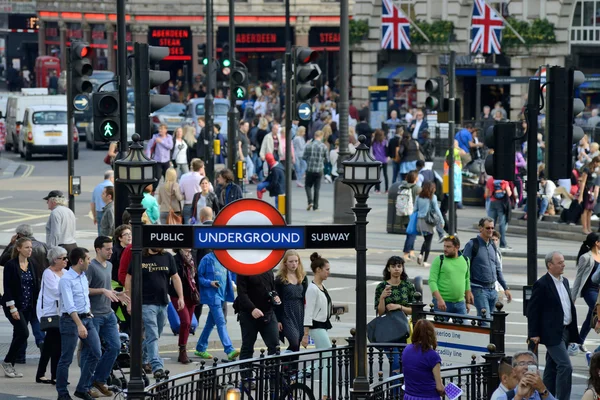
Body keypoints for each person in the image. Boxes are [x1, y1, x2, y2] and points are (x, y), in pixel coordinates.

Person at [527, 251, 580, 400]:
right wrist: (534, 333)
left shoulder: (564, 281)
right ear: (550, 265)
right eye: (560, 262)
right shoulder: (542, 284)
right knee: (565, 366)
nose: (563, 265)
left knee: (551, 368)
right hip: (551, 333)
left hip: (565, 330)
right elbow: (533, 311)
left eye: (563, 261)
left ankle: (546, 396)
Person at [125, 248, 184, 379]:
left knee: (156, 334)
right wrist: (129, 300)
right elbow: (129, 277)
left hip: (163, 303)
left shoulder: (167, 257)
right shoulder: (139, 257)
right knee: (152, 334)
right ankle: (157, 366)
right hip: (145, 303)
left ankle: (140, 358)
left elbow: (175, 277)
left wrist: (181, 297)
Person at [85, 236, 129, 398]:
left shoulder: (109, 265)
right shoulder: (91, 267)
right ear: (98, 249)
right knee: (92, 352)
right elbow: (85, 290)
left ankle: (100, 379)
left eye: (111, 248)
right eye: (107, 249)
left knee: (115, 346)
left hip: (108, 314)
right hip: (94, 315)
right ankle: (87, 385)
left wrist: (118, 294)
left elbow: (107, 287)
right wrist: (103, 291)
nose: (111, 251)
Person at [56, 247, 102, 400]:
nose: (90, 261)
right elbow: (69, 306)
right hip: (71, 321)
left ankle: (82, 388)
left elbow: (84, 296)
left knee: (96, 352)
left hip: (87, 318)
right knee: (66, 358)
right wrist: (79, 325)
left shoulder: (83, 276)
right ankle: (62, 393)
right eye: (88, 259)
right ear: (80, 261)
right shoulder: (66, 279)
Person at [2, 238, 41, 378]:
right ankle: (7, 361)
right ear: (18, 248)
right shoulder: (11, 265)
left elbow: (35, 285)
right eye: (26, 247)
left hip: (28, 306)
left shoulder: (32, 263)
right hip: (14, 306)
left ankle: (10, 366)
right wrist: (12, 308)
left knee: (18, 333)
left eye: (30, 247)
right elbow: (7, 289)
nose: (30, 250)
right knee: (24, 333)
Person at [464, 217, 512, 321]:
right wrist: (467, 291)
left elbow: (497, 269)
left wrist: (505, 288)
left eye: (492, 228)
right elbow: (464, 269)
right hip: (478, 289)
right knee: (485, 322)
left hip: (492, 290)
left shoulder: (492, 246)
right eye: (488, 228)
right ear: (480, 228)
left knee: (493, 323)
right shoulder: (472, 244)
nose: (490, 230)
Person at [194, 250, 239, 361]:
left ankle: (200, 348)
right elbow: (199, 277)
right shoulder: (207, 259)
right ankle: (229, 349)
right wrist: (210, 283)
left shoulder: (225, 259)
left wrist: (233, 283)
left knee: (210, 323)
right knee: (221, 322)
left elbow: (231, 274)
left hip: (222, 295)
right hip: (212, 296)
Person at [374, 256, 415, 374]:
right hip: (388, 330)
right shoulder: (381, 287)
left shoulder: (408, 286)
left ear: (402, 268)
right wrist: (382, 297)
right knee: (396, 362)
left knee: (404, 363)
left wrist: (399, 307)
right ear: (388, 269)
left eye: (399, 266)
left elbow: (414, 310)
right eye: (393, 266)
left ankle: (398, 391)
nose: (396, 269)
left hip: (404, 329)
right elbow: (380, 312)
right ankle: (395, 391)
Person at [302, 253, 333, 400]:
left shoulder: (322, 286)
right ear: (318, 270)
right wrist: (305, 334)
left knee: (324, 359)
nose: (328, 272)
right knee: (329, 358)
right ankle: (326, 394)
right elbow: (308, 312)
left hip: (323, 326)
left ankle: (298, 376)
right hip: (316, 327)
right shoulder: (312, 289)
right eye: (326, 269)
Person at [35, 246, 68, 385]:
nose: (66, 260)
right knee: (57, 345)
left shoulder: (65, 272)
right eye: (63, 258)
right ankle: (55, 376)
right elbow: (56, 291)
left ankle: (40, 374)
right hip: (50, 313)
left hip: (61, 312)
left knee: (49, 344)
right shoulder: (48, 273)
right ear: (55, 260)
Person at [235, 269, 280, 362]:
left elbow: (272, 288)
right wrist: (252, 309)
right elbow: (242, 293)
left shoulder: (268, 268)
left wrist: (275, 295)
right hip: (248, 314)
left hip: (268, 312)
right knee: (248, 346)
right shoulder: (244, 270)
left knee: (275, 346)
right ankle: (246, 375)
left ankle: (271, 374)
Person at [429, 235, 474, 316]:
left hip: (460, 303)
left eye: (448, 247)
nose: (445, 249)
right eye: (444, 246)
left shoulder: (465, 260)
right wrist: (439, 299)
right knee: (439, 328)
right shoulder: (439, 260)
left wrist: (467, 302)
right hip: (442, 303)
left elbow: (466, 280)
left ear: (457, 247)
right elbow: (432, 281)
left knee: (464, 327)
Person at [401, 319, 444, 400]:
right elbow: (439, 387)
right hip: (428, 396)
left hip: (409, 395)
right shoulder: (433, 356)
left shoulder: (406, 350)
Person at [571, 232, 600, 353]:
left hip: (599, 291)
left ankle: (579, 342)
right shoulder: (586, 257)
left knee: (589, 318)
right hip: (589, 290)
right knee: (596, 310)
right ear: (596, 243)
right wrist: (573, 297)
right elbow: (579, 278)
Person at [170, 248, 200, 364]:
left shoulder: (193, 257)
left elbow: (195, 276)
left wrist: (197, 292)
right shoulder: (175, 259)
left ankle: (183, 349)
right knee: (186, 321)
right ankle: (182, 350)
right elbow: (172, 278)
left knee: (187, 325)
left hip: (191, 295)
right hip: (177, 295)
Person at [275, 250, 308, 354]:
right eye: (291, 261)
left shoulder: (302, 277)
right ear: (285, 263)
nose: (294, 264)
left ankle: (291, 369)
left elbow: (306, 297)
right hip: (286, 312)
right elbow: (276, 301)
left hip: (299, 311)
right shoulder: (280, 279)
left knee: (297, 343)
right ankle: (283, 361)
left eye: (296, 261)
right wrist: (278, 320)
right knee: (294, 341)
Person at [413, 181, 444, 267]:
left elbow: (415, 209)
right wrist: (442, 220)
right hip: (428, 221)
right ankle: (425, 261)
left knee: (426, 239)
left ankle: (420, 255)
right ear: (431, 188)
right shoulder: (432, 197)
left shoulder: (418, 197)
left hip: (420, 221)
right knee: (429, 241)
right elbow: (437, 210)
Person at [485, 175, 513, 250]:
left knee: (490, 223)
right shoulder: (504, 181)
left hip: (492, 203)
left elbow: (487, 194)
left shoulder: (490, 180)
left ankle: (488, 242)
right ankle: (503, 244)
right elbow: (509, 193)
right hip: (502, 204)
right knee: (502, 224)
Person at [303, 130, 328, 211]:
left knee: (307, 186)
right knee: (317, 188)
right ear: (321, 136)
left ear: (314, 136)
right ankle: (316, 206)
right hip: (319, 169)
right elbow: (327, 159)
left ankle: (310, 201)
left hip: (310, 168)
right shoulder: (324, 146)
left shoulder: (309, 145)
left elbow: (304, 157)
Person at [400, 171, 421, 260]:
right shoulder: (417, 189)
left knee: (411, 234)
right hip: (413, 214)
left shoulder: (402, 187)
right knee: (411, 235)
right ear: (416, 178)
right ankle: (406, 253)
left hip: (404, 213)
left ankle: (411, 251)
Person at [146, 124, 174, 190]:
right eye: (159, 129)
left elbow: (170, 147)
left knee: (167, 177)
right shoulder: (155, 136)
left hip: (166, 160)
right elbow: (149, 146)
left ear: (165, 130)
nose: (160, 130)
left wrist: (161, 141)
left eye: (162, 129)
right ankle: (152, 191)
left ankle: (168, 190)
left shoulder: (169, 137)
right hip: (157, 160)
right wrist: (148, 157)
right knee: (157, 177)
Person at [180, 158, 207, 224]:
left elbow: (181, 190)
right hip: (200, 205)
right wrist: (204, 176)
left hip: (187, 205)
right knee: (201, 227)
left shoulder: (183, 177)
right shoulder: (202, 179)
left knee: (188, 230)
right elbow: (210, 189)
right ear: (201, 168)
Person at [90, 171, 114, 236]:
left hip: (99, 212)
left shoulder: (97, 187)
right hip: (106, 210)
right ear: (111, 178)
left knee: (101, 233)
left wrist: (94, 216)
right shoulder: (112, 187)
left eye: (103, 194)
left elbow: (92, 203)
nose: (101, 195)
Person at [371, 129, 389, 193]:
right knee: (385, 175)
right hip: (384, 160)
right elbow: (387, 151)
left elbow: (373, 152)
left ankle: (377, 189)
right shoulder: (385, 142)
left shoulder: (374, 142)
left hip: (377, 160)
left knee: (377, 175)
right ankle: (386, 189)